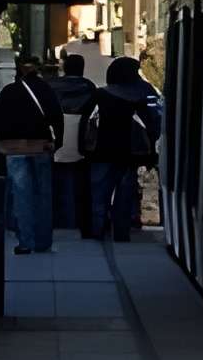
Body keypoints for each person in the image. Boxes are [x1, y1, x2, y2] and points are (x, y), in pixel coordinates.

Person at [0, 58, 60, 257]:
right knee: (43, 194)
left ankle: (25, 241)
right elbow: (56, 116)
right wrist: (57, 143)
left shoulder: (8, 92)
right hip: (41, 147)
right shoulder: (46, 90)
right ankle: (43, 241)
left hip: (14, 149)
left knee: (21, 195)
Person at [88, 55, 163, 244]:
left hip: (102, 152)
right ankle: (122, 232)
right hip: (131, 153)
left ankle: (97, 230)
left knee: (99, 193)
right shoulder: (144, 92)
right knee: (125, 194)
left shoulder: (100, 94)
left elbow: (88, 123)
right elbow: (156, 121)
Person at [50, 51, 99, 237]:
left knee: (54, 184)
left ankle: (57, 220)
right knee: (79, 186)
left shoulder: (51, 86)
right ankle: (75, 222)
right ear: (82, 68)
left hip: (55, 139)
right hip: (80, 143)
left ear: (64, 67)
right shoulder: (89, 87)